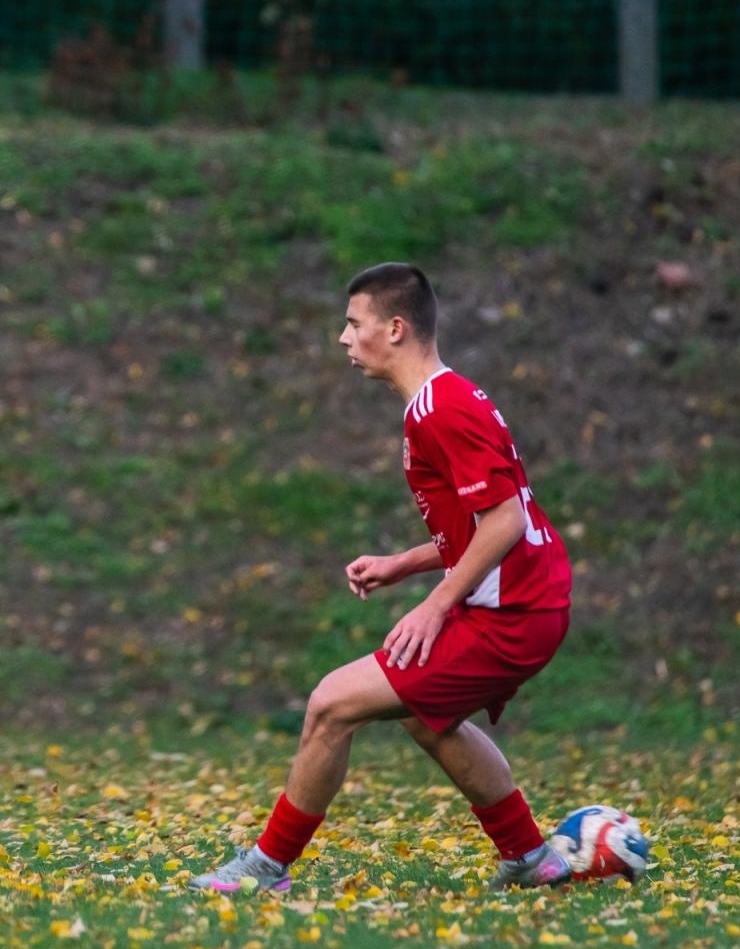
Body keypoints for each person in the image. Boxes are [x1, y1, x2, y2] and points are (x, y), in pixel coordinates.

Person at [191, 263, 574, 893]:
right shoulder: (444, 400)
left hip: (514, 615)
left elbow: (505, 520)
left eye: (353, 323)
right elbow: (488, 520)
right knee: (427, 716)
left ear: (395, 328)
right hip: (523, 603)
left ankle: (266, 868)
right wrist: (404, 564)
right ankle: (530, 858)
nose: (343, 337)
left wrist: (436, 604)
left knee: (330, 705)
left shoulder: (440, 410)